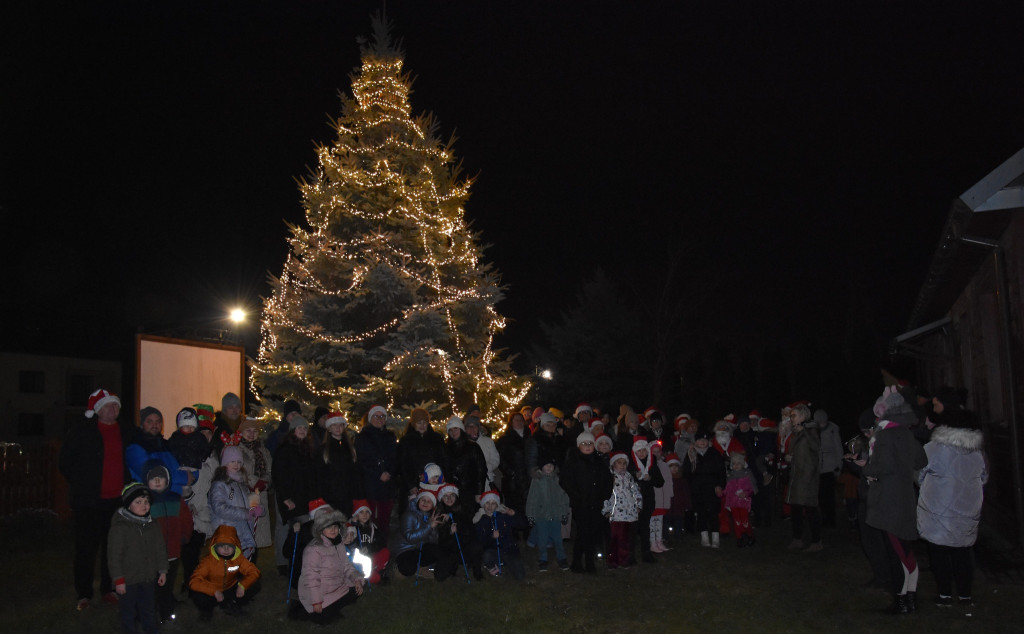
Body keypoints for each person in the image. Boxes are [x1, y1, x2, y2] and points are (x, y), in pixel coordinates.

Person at [59, 388, 133, 610]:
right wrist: (82, 484)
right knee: (86, 550)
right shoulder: (82, 432)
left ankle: (109, 589)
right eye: (109, 406)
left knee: (112, 548)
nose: (114, 409)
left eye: (116, 405)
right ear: (98, 410)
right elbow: (65, 461)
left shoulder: (126, 431)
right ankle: (84, 594)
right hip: (89, 503)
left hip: (116, 502)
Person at [917, 389, 987, 611]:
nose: (933, 410)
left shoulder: (935, 448)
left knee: (939, 553)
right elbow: (984, 475)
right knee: (963, 552)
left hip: (939, 511)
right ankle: (965, 596)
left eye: (937, 406)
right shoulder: (976, 449)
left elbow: (919, 473)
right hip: (967, 508)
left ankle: (945, 595)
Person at [862, 385, 928, 614]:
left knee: (896, 552)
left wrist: (866, 468)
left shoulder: (886, 434)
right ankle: (911, 598)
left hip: (888, 501)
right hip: (904, 497)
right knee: (905, 550)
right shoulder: (905, 432)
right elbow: (920, 460)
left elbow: (882, 466)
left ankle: (901, 601)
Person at [107, 482, 167, 634]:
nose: (144, 505)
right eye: (138, 502)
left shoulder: (152, 524)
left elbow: (160, 548)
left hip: (147, 577)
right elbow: (114, 555)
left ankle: (151, 630)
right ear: (128, 505)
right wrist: (119, 580)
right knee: (128, 612)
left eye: (146, 502)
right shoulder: (121, 527)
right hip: (128, 580)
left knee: (148, 608)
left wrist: (162, 570)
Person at [292, 503, 365, 624]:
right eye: (328, 527)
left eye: (335, 526)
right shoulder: (313, 549)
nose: (333, 530)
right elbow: (311, 578)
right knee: (323, 619)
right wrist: (316, 601)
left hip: (338, 586)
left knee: (357, 589)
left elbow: (347, 566)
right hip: (321, 593)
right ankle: (317, 609)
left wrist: (357, 579)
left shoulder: (338, 543)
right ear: (320, 529)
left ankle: (334, 606)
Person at [144, 460, 192, 622]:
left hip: (172, 551)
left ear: (168, 479)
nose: (157, 481)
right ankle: (150, 611)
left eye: (161, 477)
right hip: (152, 554)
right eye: (153, 478)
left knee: (168, 583)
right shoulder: (145, 502)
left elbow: (186, 519)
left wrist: (185, 535)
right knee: (153, 584)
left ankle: (166, 611)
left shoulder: (175, 499)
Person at [561, 431, 613, 573]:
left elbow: (607, 480)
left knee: (591, 532)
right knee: (584, 532)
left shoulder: (598, 461)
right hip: (581, 504)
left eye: (590, 443)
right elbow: (566, 481)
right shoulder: (574, 462)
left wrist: (604, 495)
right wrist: (577, 496)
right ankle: (582, 562)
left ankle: (584, 562)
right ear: (579, 446)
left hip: (596, 503)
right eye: (584, 444)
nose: (588, 446)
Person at [188, 525, 261, 621]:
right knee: (198, 595)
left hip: (230, 588)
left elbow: (254, 571)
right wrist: (213, 591)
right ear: (215, 546)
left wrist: (243, 585)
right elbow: (194, 581)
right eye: (222, 546)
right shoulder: (208, 561)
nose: (226, 549)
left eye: (230, 546)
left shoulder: (238, 558)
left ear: (235, 546)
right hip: (212, 591)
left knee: (254, 585)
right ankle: (206, 610)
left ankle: (234, 604)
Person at [209, 445, 264, 560]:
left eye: (239, 462)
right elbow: (219, 508)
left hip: (243, 533)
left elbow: (244, 503)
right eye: (232, 461)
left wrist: (256, 508)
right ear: (225, 463)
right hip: (227, 534)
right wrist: (246, 513)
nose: (236, 465)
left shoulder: (239, 483)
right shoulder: (220, 485)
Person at [125, 406, 192, 497]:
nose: (155, 425)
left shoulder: (167, 445)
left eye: (158, 421)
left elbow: (186, 468)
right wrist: (185, 478)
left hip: (171, 501)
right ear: (141, 424)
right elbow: (153, 475)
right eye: (150, 421)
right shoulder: (135, 447)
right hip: (147, 501)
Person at [355, 405, 399, 543]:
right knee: (369, 518)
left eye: (382, 416)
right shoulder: (363, 437)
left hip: (387, 486)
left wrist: (389, 472)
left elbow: (395, 458)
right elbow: (361, 462)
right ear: (370, 418)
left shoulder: (390, 436)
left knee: (384, 519)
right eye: (376, 416)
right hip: (371, 485)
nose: (379, 419)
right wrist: (377, 474)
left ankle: (382, 547)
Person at [524, 451, 571, 572]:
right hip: (541, 515)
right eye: (546, 465)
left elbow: (564, 496)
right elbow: (532, 498)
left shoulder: (558, 480)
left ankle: (562, 558)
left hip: (555, 515)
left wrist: (564, 512)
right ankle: (543, 559)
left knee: (557, 539)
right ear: (541, 466)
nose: (549, 467)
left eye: (551, 465)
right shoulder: (537, 480)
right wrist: (530, 514)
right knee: (543, 539)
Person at [393, 490, 455, 579]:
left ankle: (426, 569)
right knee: (408, 570)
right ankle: (398, 567)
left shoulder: (431, 517)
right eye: (423, 500)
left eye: (429, 501)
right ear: (418, 501)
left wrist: (436, 527)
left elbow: (433, 541)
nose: (425, 503)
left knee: (438, 551)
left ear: (433, 505)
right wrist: (429, 526)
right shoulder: (409, 515)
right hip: (405, 549)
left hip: (419, 548)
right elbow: (410, 537)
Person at [683, 429, 725, 548]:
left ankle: (715, 537)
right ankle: (704, 536)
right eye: (700, 440)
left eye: (705, 440)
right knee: (701, 512)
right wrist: (690, 461)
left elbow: (721, 471)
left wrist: (719, 485)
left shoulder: (714, 453)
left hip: (712, 487)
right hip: (697, 488)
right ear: (695, 441)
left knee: (713, 512)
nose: (702, 442)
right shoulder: (691, 453)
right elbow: (686, 472)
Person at [236, 417, 273, 550]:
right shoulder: (236, 449)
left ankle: (252, 567)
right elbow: (238, 469)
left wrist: (265, 482)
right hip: (243, 494)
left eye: (255, 431)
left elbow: (270, 470)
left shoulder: (263, 451)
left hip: (260, 495)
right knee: (243, 536)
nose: (251, 434)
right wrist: (254, 481)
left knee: (257, 537)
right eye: (248, 431)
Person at [474, 490, 527, 580]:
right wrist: (492, 537)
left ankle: (507, 562)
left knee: (521, 577)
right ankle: (492, 566)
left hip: (509, 550)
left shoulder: (503, 516)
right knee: (487, 555)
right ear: (483, 504)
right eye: (487, 503)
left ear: (497, 505)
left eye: (493, 503)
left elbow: (523, 525)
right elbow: (482, 541)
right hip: (494, 551)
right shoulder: (481, 522)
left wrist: (514, 514)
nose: (490, 506)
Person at [316, 412, 361, 516]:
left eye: (340, 425)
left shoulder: (350, 448)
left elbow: (356, 473)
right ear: (329, 428)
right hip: (331, 497)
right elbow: (319, 475)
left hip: (348, 496)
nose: (338, 428)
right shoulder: (323, 450)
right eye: (334, 425)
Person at [602, 452, 642, 569]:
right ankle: (612, 561)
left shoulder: (629, 477)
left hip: (629, 513)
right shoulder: (610, 477)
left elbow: (636, 492)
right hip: (615, 514)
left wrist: (638, 505)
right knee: (614, 538)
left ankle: (623, 560)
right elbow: (605, 495)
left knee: (625, 538)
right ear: (614, 464)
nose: (622, 465)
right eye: (619, 463)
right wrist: (606, 510)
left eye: (624, 463)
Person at [627, 437, 664, 563]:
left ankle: (646, 553)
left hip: (647, 500)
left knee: (645, 528)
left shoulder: (652, 464)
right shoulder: (630, 464)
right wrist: (634, 476)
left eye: (644, 450)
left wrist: (651, 478)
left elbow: (660, 482)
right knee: (632, 528)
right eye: (639, 451)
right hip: (633, 502)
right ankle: (630, 554)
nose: (642, 453)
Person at [396, 408, 446, 499]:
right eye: (419, 423)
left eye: (424, 422)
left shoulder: (437, 439)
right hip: (413, 485)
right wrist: (410, 485)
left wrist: (439, 479)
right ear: (413, 424)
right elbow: (402, 465)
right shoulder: (406, 441)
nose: (422, 426)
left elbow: (443, 461)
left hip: (434, 483)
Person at [496, 411, 532, 528]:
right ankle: (515, 530)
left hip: (528, 478)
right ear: (511, 423)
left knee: (528, 504)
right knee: (513, 505)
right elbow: (500, 459)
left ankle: (527, 529)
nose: (519, 422)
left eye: (521, 420)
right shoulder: (505, 439)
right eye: (516, 420)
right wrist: (510, 472)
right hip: (513, 479)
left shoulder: (530, 437)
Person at [444, 416, 489, 506]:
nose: (453, 432)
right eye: (451, 430)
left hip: (470, 490)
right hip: (452, 492)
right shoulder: (446, 448)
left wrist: (479, 492)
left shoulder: (472, 446)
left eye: (456, 428)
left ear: (461, 429)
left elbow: (481, 470)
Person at [348, 499, 391, 584]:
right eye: (361, 512)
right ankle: (374, 576)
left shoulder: (372, 527)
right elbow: (349, 545)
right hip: (358, 562)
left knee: (385, 552)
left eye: (367, 512)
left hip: (370, 556)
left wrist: (370, 548)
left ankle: (379, 569)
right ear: (355, 515)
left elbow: (381, 542)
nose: (365, 515)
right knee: (374, 578)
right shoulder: (351, 529)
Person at [815, 408, 844, 529]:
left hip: (830, 467)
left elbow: (838, 448)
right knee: (820, 495)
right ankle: (824, 518)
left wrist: (839, 466)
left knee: (829, 495)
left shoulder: (832, 429)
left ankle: (831, 519)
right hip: (818, 468)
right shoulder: (814, 429)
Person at [723, 453, 758, 547]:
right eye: (734, 463)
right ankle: (740, 537)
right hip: (734, 503)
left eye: (738, 463)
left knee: (745, 520)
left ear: (743, 464)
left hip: (744, 502)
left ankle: (749, 535)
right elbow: (727, 490)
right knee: (737, 520)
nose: (736, 465)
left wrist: (746, 494)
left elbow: (753, 488)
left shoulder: (747, 474)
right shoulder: (730, 476)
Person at [167, 407, 210, 476]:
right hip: (180, 468)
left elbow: (205, 450)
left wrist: (201, 457)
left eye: (192, 426)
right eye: (186, 426)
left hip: (196, 468)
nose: (189, 429)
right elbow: (171, 451)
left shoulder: (200, 438)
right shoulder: (175, 438)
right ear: (180, 427)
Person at [649, 439, 673, 553]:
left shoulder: (664, 465)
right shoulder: (649, 467)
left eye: (658, 452)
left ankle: (659, 540)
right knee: (652, 522)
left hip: (663, 499)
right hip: (654, 499)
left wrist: (669, 496)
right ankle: (652, 542)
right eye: (653, 452)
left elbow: (668, 482)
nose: (656, 454)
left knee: (659, 521)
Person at [464, 412, 500, 489]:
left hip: (486, 480)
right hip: (468, 482)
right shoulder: (462, 443)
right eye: (469, 427)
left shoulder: (488, 441)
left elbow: (495, 459)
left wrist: (485, 468)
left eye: (474, 426)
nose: (472, 429)